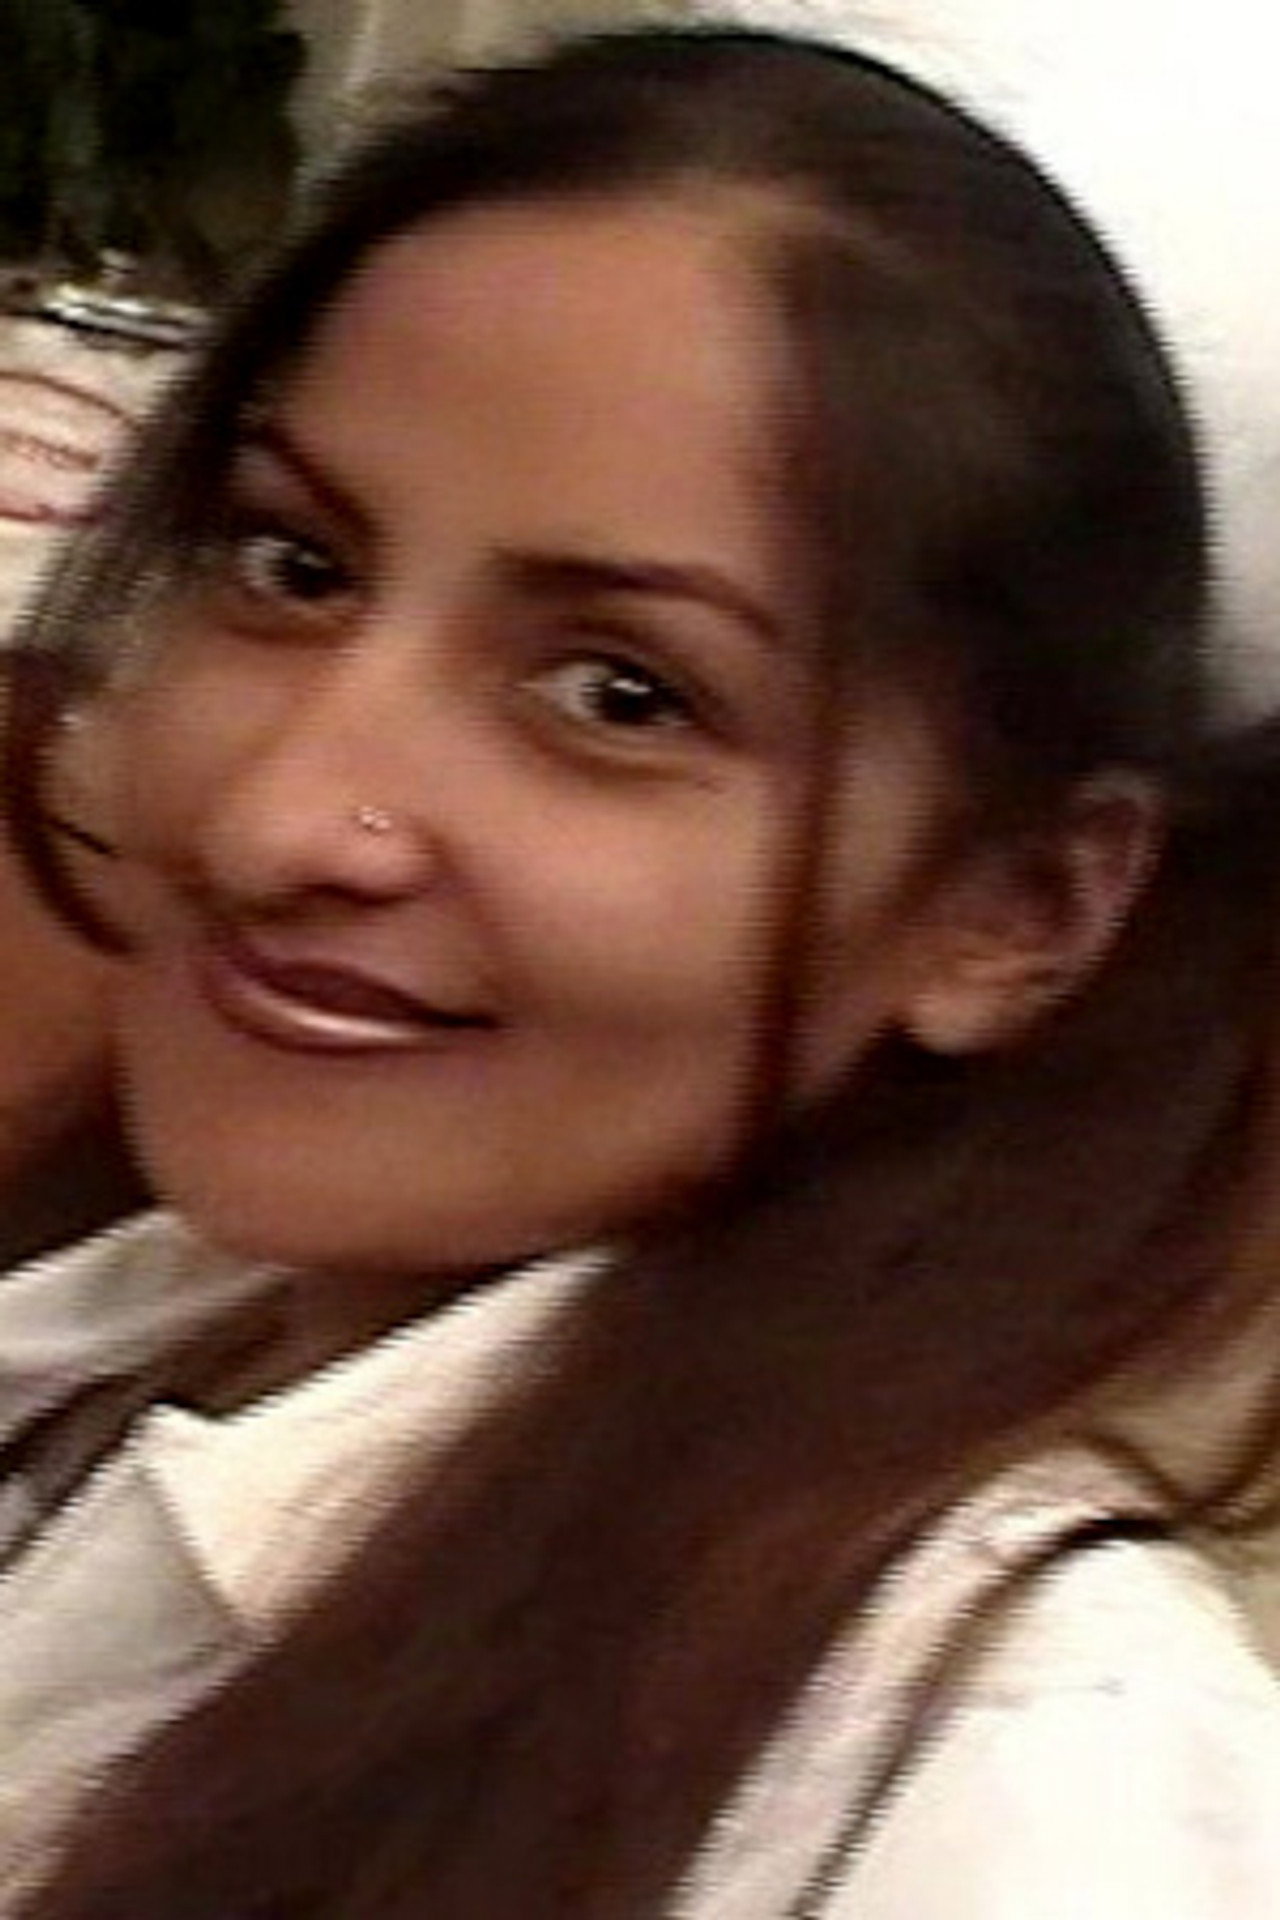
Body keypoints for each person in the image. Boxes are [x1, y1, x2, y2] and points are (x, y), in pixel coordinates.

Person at [3, 23, 1280, 1917]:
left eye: (620, 695)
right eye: (294, 566)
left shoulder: (1005, 1789)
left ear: (1013, 908)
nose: (281, 818)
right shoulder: (137, 1354)